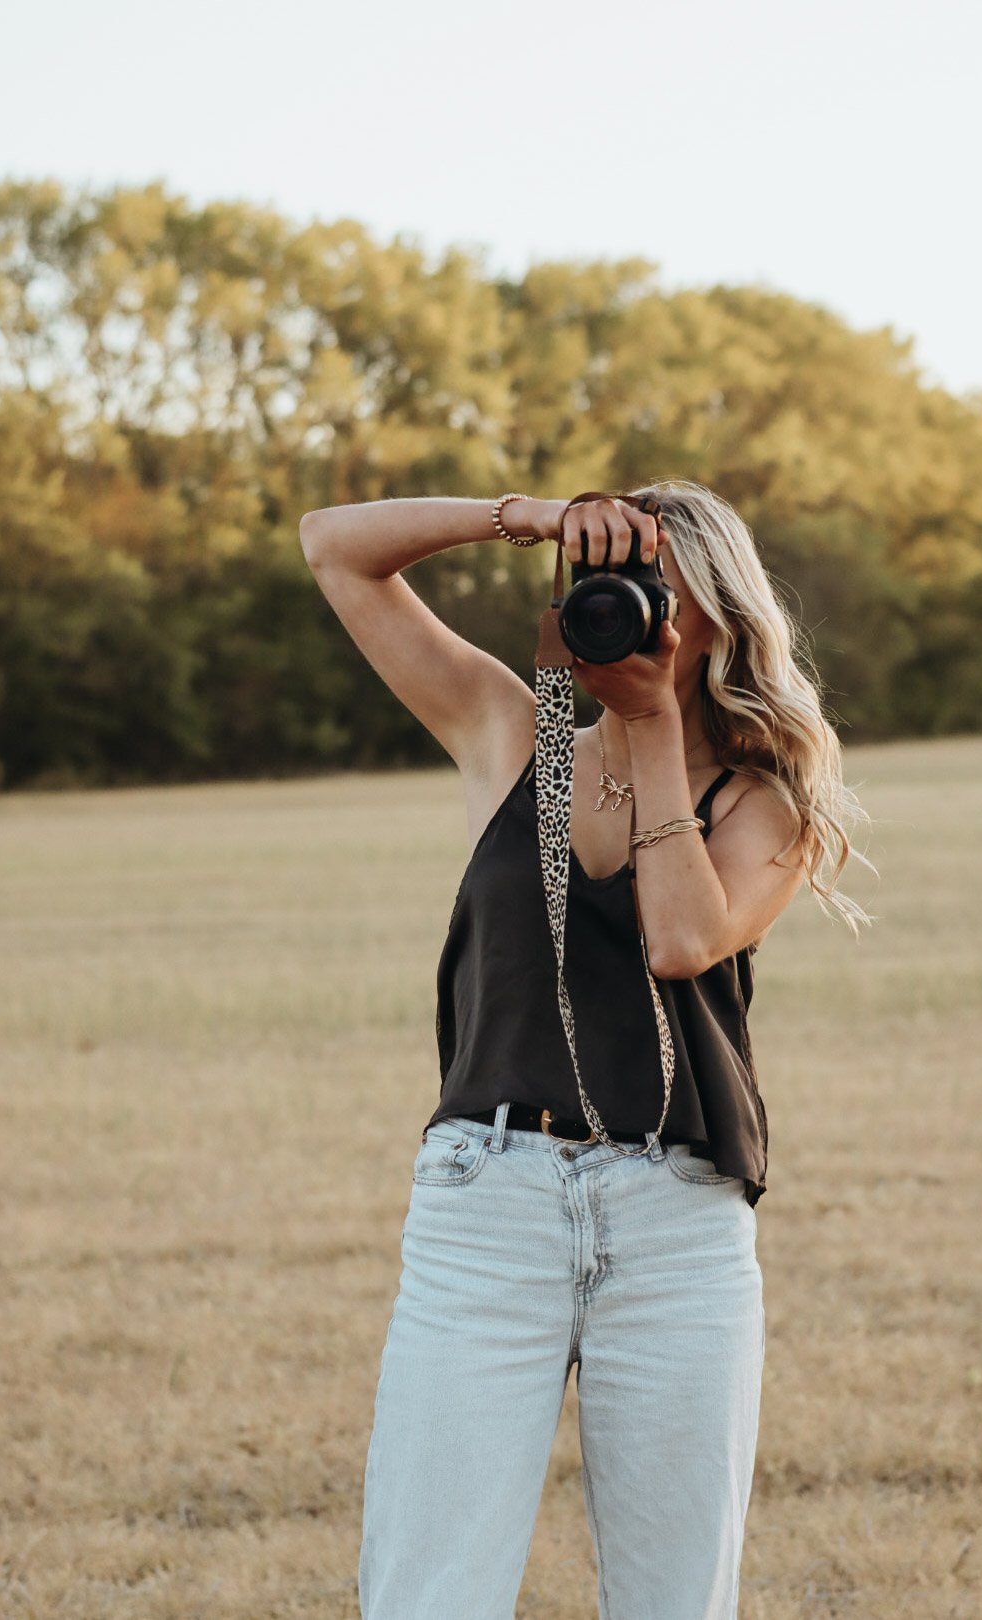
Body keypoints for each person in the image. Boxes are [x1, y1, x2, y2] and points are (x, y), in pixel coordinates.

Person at [298, 482, 874, 1620]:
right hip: (487, 1201)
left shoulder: (765, 805)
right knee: (428, 1595)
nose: (622, 601)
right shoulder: (517, 737)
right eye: (606, 578)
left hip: (677, 1222)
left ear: (715, 613)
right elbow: (334, 549)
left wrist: (653, 722)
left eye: (653, 581)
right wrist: (528, 516)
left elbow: (681, 939)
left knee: (673, 1600)